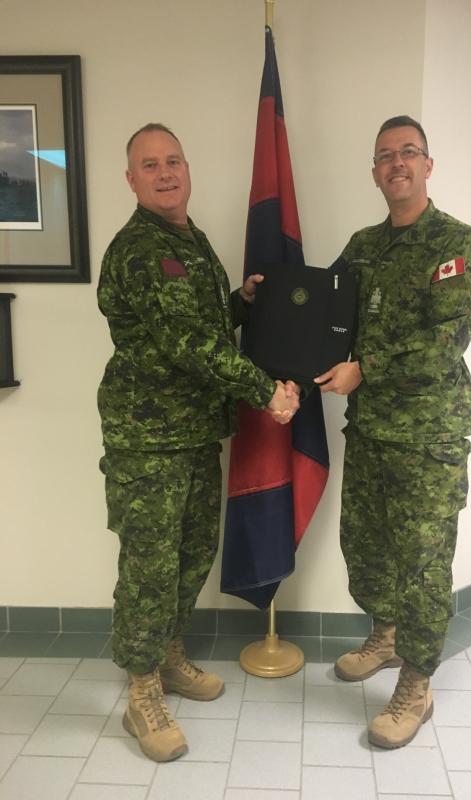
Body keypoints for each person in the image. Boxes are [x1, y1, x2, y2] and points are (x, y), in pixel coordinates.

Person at [97, 123, 299, 763]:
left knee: (188, 558)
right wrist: (266, 389)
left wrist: (239, 303)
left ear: (188, 168)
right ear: (130, 180)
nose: (165, 173)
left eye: (173, 160)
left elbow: (203, 322)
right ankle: (141, 692)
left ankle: (171, 654)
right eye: (149, 165)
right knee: (149, 570)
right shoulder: (138, 249)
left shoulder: (189, 239)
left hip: (191, 433)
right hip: (148, 440)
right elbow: (189, 344)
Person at [315, 116, 471, 749]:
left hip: (429, 440)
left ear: (428, 165)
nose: (397, 164)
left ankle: (417, 681)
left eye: (408, 153)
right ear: (376, 172)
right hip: (373, 433)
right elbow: (323, 304)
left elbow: (450, 340)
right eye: (385, 156)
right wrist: (266, 296)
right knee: (368, 551)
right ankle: (384, 638)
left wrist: (367, 368)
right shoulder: (364, 246)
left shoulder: (456, 243)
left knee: (421, 566)